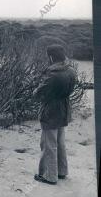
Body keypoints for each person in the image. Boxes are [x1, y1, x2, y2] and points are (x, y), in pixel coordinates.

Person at [33, 44, 77, 185]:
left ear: (51, 57)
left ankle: (49, 176)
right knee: (60, 142)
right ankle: (62, 172)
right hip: (64, 108)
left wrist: (36, 89)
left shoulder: (52, 74)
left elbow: (39, 94)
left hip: (50, 110)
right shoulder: (71, 70)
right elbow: (70, 90)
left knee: (48, 144)